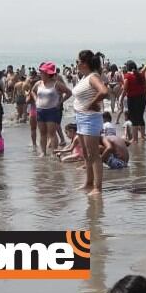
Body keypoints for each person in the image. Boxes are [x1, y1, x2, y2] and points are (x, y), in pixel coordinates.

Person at [71, 49, 110, 195]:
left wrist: (93, 103)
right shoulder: (85, 77)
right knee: (86, 154)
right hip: (81, 117)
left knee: (93, 154)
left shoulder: (93, 77)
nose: (76, 64)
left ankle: (97, 188)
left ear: (85, 63)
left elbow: (104, 91)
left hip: (90, 119)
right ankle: (88, 183)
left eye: (78, 62)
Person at [32, 62, 70, 154]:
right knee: (42, 133)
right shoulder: (38, 83)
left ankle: (54, 152)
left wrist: (60, 102)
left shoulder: (56, 84)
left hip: (52, 111)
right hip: (40, 110)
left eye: (42, 72)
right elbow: (32, 91)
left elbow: (69, 92)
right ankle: (43, 153)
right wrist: (36, 100)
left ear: (47, 74)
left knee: (52, 134)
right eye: (40, 72)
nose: (40, 74)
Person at [121, 60, 146, 143]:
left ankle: (135, 139)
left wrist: (121, 99)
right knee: (140, 117)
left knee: (133, 118)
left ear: (127, 67)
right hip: (142, 98)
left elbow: (125, 89)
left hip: (132, 98)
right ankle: (142, 136)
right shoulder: (141, 75)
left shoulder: (127, 76)